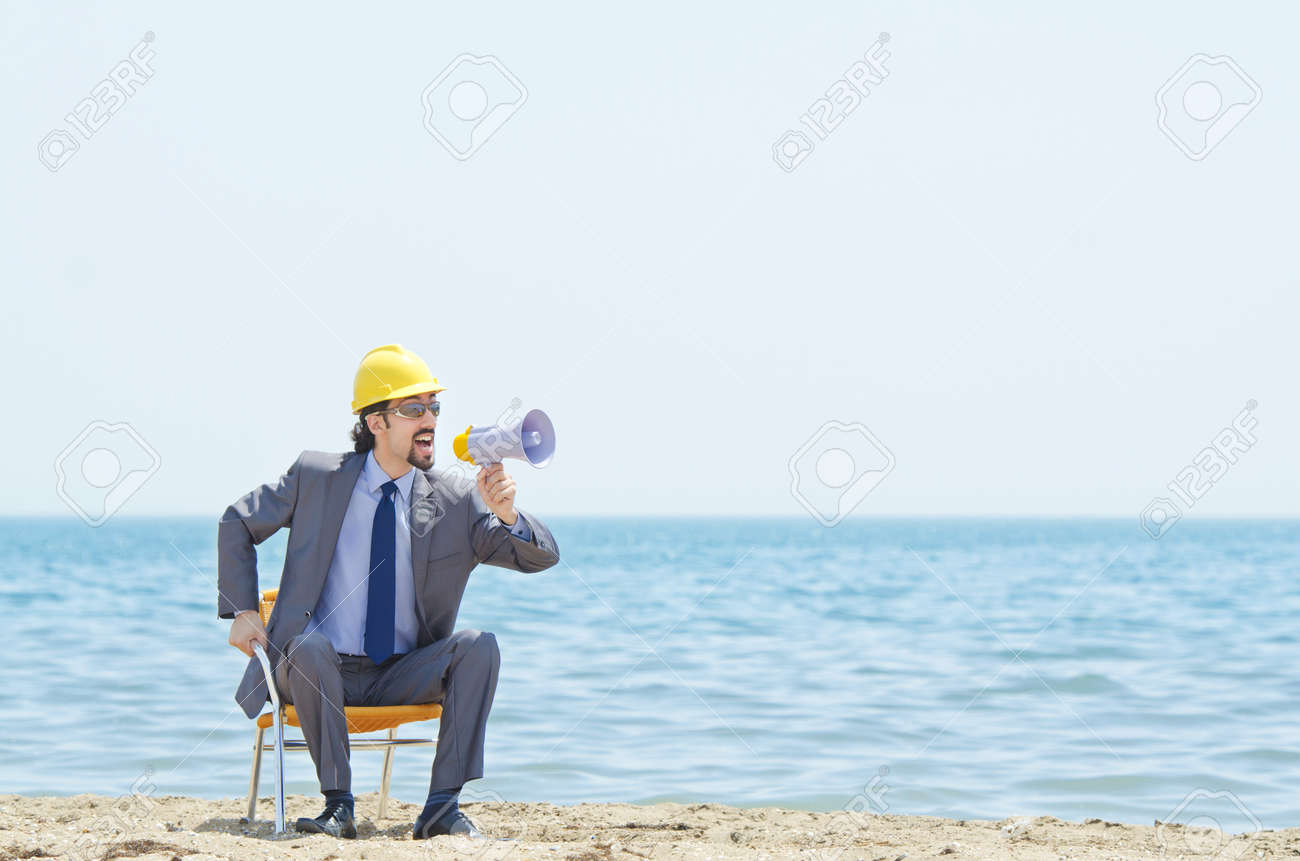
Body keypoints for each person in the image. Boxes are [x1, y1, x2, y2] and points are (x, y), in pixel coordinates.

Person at [217, 344, 559, 840]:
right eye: (413, 410)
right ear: (375, 423)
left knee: (479, 646)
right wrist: (244, 611)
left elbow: (539, 557)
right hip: (311, 671)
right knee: (311, 646)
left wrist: (507, 516)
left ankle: (441, 807)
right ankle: (339, 806)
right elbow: (236, 523)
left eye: (434, 408)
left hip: (399, 672)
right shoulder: (317, 477)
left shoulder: (457, 500)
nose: (430, 421)